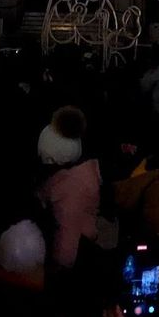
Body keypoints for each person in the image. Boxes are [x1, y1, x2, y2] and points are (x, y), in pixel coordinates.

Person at [36, 106, 100, 268]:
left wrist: (58, 268)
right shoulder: (84, 173)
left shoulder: (68, 189)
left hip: (71, 258)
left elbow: (67, 249)